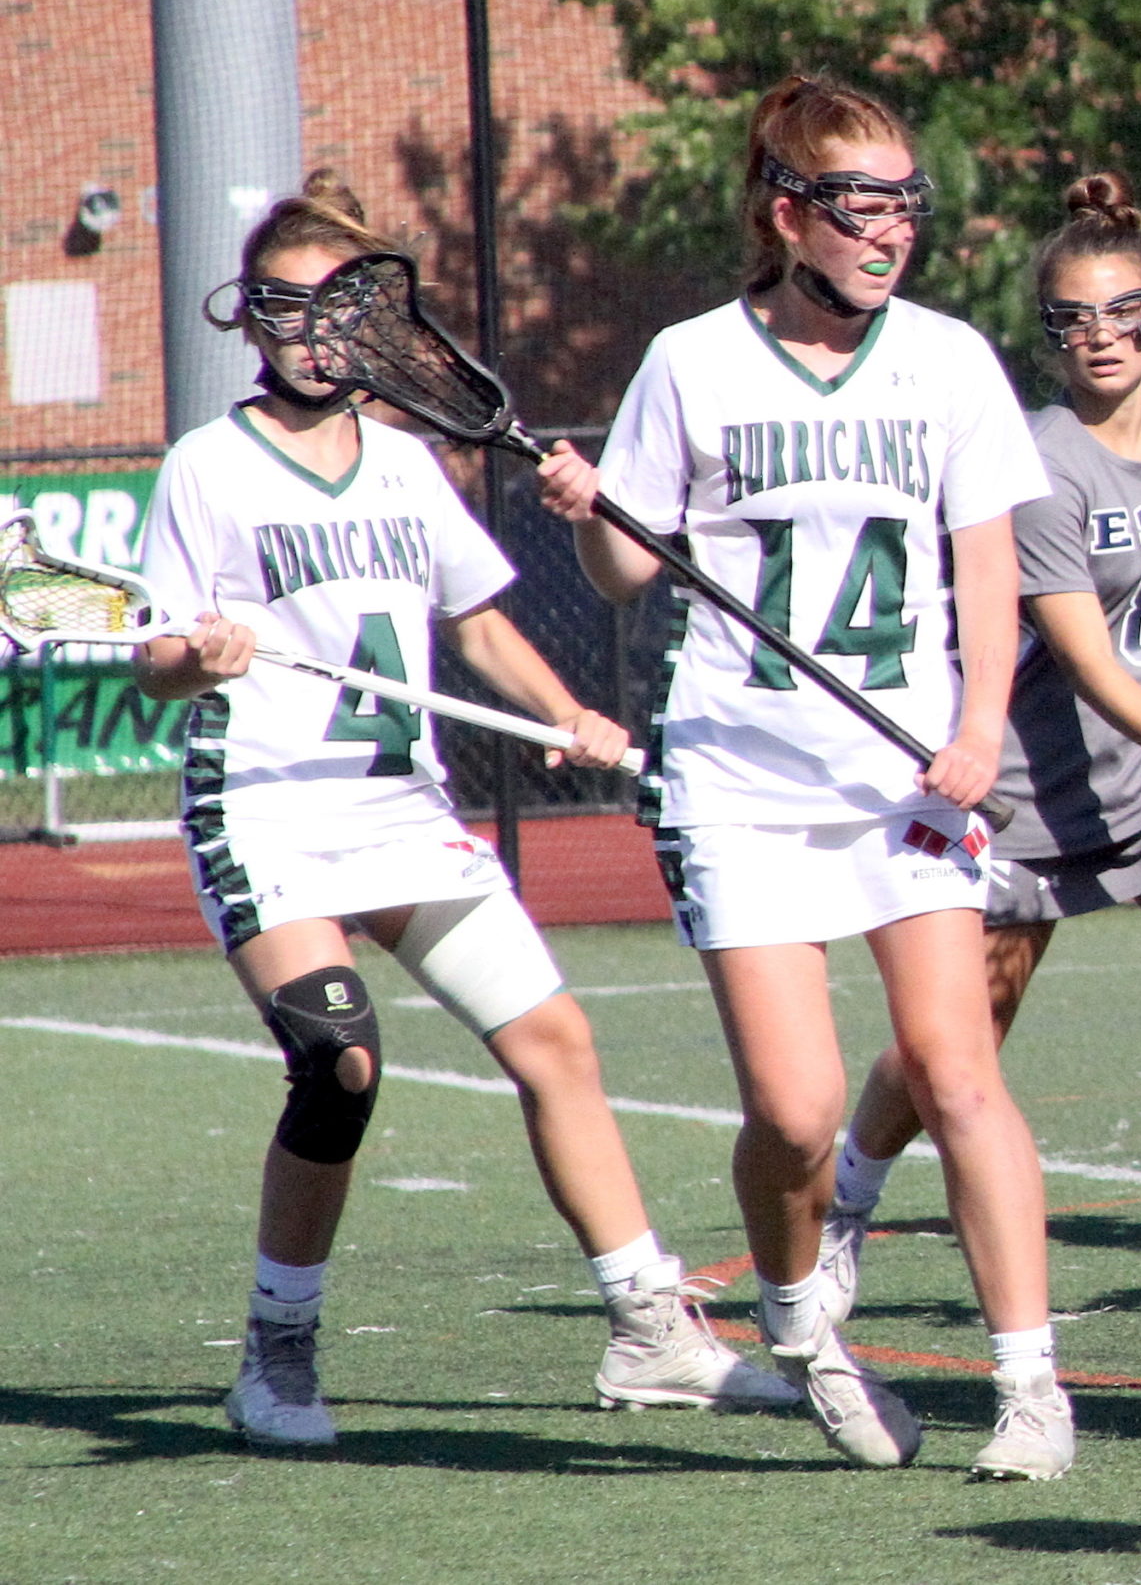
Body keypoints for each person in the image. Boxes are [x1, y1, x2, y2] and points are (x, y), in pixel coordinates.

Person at [139, 173, 794, 1449]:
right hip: (267, 811)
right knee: (340, 1061)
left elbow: (476, 619)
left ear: (377, 321)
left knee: (556, 1040)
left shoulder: (403, 461)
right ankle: (277, 1351)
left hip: (401, 807)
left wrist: (568, 714)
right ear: (253, 322)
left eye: (341, 307)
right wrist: (196, 653)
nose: (315, 334)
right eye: (288, 307)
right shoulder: (206, 468)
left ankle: (650, 1328)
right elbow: (153, 655)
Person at [536, 75, 1071, 1479]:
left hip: (906, 779)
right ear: (788, 211)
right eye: (863, 202)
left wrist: (978, 729)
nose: (894, 228)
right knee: (797, 1111)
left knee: (961, 1071)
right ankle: (799, 1324)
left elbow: (988, 572)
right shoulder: (692, 362)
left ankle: (1030, 1386)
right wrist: (597, 512)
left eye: (907, 200)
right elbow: (628, 574)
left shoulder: (948, 361)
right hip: (739, 777)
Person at [812, 174, 1141, 1335]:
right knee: (949, 1047)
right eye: (1070, 319)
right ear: (1045, 335)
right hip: (1030, 808)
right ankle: (847, 1191)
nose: (1100, 336)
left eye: (1122, 310)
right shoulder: (1034, 462)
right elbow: (1089, 659)